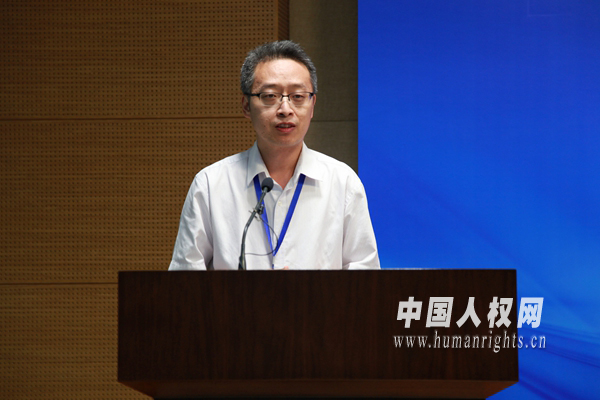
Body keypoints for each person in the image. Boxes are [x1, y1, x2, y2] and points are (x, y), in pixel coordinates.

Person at [169, 41, 379, 270]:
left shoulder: (343, 183)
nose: (285, 109)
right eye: (270, 96)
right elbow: (184, 280)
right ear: (246, 106)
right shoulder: (211, 185)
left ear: (312, 105)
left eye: (298, 96)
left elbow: (365, 277)